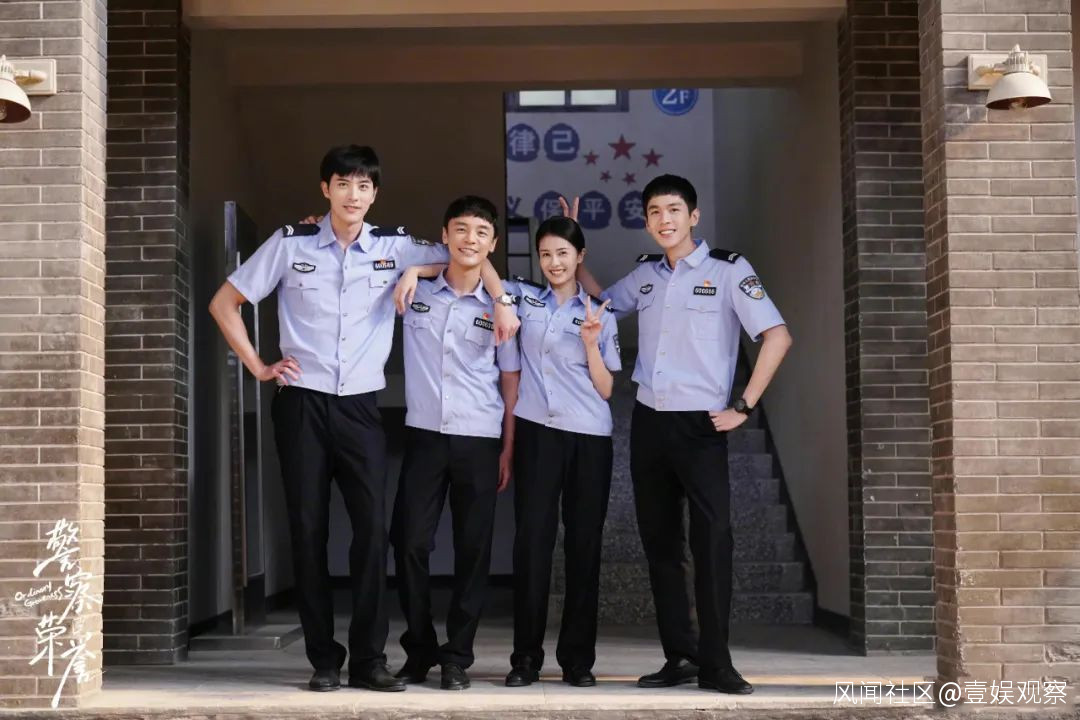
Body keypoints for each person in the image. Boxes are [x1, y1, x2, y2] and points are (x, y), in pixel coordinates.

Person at [208, 145, 518, 693]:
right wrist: (258, 365)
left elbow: (469, 252)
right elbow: (224, 302)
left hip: (360, 408)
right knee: (308, 530)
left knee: (373, 533)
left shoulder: (395, 246)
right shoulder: (290, 243)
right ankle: (324, 660)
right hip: (301, 400)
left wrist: (497, 298)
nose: (354, 195)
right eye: (343, 184)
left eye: (364, 186)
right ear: (325, 189)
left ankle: (370, 660)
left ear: (375, 194)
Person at [576, 174, 793, 695]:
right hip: (649, 421)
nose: (664, 220)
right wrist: (575, 251)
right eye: (654, 212)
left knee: (713, 541)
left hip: (700, 424)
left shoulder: (728, 270)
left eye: (673, 210)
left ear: (693, 216)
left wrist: (744, 405)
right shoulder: (646, 275)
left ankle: (717, 663)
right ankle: (681, 655)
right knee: (661, 544)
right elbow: (600, 302)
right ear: (647, 221)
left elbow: (777, 335)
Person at [389, 196, 521, 691]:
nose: (470, 239)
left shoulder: (503, 308)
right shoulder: (415, 288)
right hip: (424, 436)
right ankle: (419, 647)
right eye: (461, 229)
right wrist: (414, 269)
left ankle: (457, 656)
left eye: (481, 232)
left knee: (473, 549)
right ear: (444, 235)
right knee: (408, 542)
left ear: (493, 243)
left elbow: (510, 381)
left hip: (480, 438)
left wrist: (507, 448)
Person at [501, 217, 621, 688]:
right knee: (532, 543)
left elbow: (607, 388)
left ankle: (577, 661)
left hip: (588, 437)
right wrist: (413, 270)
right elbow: (479, 268)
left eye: (563, 253)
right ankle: (525, 659)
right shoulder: (524, 298)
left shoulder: (600, 312)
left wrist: (591, 345)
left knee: (583, 546)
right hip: (537, 433)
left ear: (580, 257)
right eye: (546, 254)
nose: (554, 263)